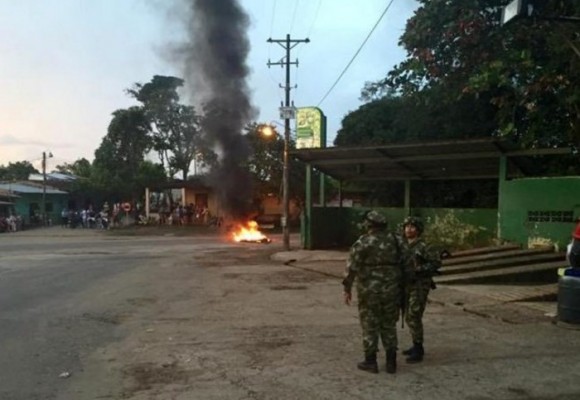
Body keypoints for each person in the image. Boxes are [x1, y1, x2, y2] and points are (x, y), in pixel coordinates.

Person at [342, 210, 402, 374]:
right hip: (392, 288)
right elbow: (408, 262)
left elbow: (352, 267)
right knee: (389, 324)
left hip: (369, 289)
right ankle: (391, 362)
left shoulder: (364, 242)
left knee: (370, 323)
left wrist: (347, 288)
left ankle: (370, 361)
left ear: (369, 224)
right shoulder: (396, 239)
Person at [400, 216, 441, 363]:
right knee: (408, 315)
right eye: (407, 227)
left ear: (418, 230)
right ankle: (415, 344)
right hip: (406, 284)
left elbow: (436, 263)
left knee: (414, 315)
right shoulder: (402, 244)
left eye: (412, 227)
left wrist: (420, 269)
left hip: (419, 284)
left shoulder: (425, 246)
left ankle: (419, 348)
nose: (408, 229)